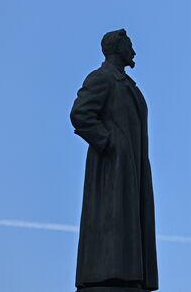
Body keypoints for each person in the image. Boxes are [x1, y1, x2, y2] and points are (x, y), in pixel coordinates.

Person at [70, 29, 159, 291]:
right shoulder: (102, 78)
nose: (133, 51)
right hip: (112, 170)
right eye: (129, 45)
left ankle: (130, 273)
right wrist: (109, 141)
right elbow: (80, 114)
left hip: (133, 169)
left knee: (131, 223)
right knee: (113, 223)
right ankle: (111, 273)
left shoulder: (127, 84)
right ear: (116, 48)